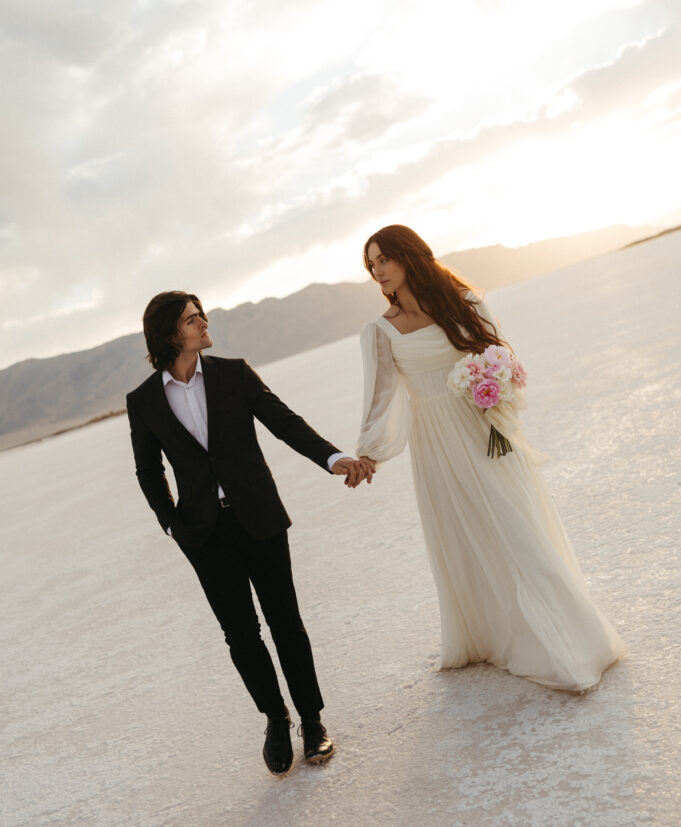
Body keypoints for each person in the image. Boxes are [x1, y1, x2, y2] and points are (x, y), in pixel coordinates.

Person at [355, 225, 625, 692]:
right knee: (470, 538)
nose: (378, 271)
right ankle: (497, 632)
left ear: (410, 256)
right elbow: (379, 399)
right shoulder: (379, 330)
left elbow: (499, 356)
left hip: (487, 432)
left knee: (519, 529)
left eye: (384, 259)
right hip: (437, 445)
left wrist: (495, 385)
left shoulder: (466, 302)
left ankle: (567, 639)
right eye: (371, 264)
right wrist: (368, 454)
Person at [127, 290, 369, 776]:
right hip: (204, 534)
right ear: (170, 333)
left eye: (201, 315)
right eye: (193, 318)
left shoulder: (234, 373)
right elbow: (148, 471)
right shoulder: (144, 401)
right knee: (241, 635)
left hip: (258, 518)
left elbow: (284, 422)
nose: (203, 322)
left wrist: (332, 457)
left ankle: (312, 721)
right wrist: (173, 523)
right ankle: (276, 721)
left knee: (286, 622)